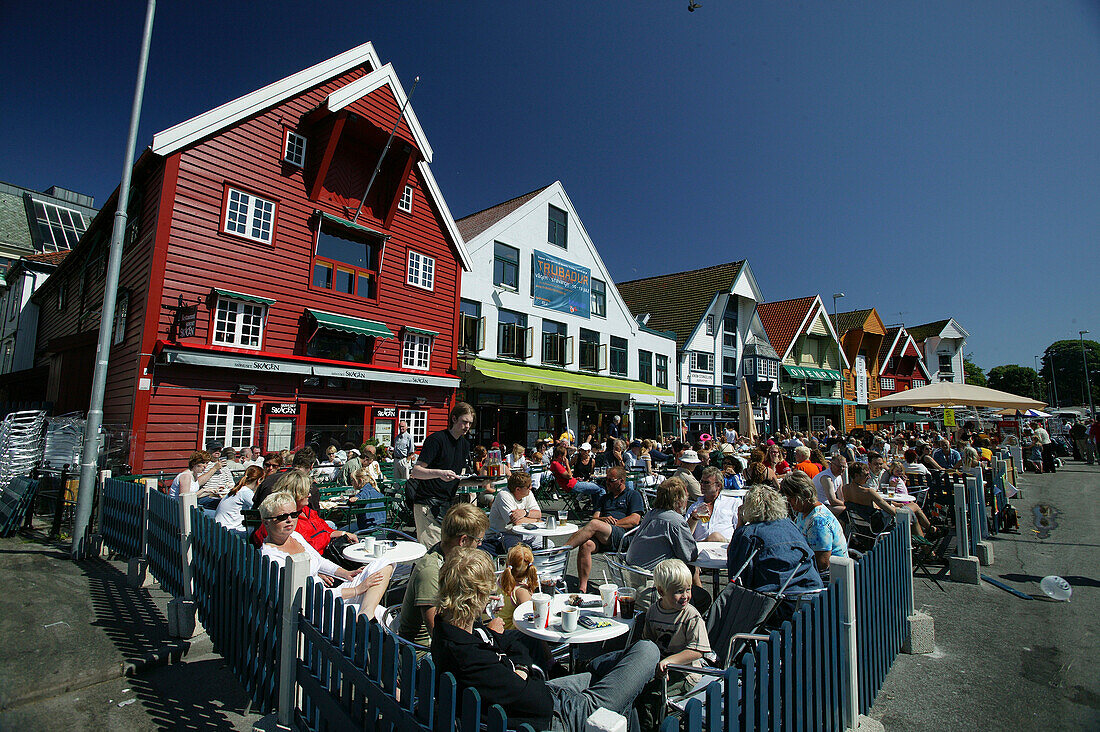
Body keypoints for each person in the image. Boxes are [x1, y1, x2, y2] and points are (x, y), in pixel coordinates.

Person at [431, 547, 660, 732]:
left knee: (617, 677)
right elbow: (538, 701)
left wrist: (520, 668)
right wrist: (522, 670)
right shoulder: (469, 656)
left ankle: (600, 673)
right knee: (647, 651)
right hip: (556, 715)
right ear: (479, 596)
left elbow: (515, 641)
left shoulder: (451, 630)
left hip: (545, 694)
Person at [257, 492, 391, 619]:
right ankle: (368, 616)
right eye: (282, 517)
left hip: (330, 596)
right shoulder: (271, 557)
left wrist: (345, 573)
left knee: (384, 564)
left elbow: (319, 561)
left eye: (294, 514)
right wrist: (357, 590)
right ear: (266, 521)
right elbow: (310, 596)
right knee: (382, 613)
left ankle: (366, 613)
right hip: (316, 610)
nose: (289, 520)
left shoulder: (295, 536)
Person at [397, 503, 489, 651]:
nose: (479, 545)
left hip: (450, 639)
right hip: (422, 653)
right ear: (463, 540)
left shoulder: (446, 556)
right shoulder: (430, 572)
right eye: (478, 541)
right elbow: (439, 635)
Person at [634, 558, 713, 730]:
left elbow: (697, 651)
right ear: (661, 591)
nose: (685, 596)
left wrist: (670, 662)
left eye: (688, 589)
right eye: (678, 591)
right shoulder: (654, 611)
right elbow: (649, 642)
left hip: (686, 672)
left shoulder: (690, 616)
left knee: (651, 697)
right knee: (634, 690)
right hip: (661, 668)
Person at [725, 486, 822, 595]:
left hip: (775, 599)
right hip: (812, 593)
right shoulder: (790, 525)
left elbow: (736, 575)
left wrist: (740, 524)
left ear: (747, 508)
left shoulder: (748, 533)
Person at [563, 466, 645, 592]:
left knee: (594, 524)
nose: (607, 483)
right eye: (606, 480)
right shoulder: (604, 498)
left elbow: (635, 520)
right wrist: (603, 521)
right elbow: (596, 516)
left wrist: (613, 524)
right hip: (603, 535)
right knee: (586, 544)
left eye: (610, 480)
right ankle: (582, 588)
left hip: (623, 535)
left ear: (621, 481)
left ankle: (561, 552)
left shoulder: (633, 495)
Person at [409, 402, 476, 546]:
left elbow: (457, 476)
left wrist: (479, 481)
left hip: (448, 504)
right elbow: (416, 471)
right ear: (454, 419)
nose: (467, 427)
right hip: (427, 503)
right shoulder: (436, 440)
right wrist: (439, 473)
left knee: (449, 550)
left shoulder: (464, 444)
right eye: (464, 422)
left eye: (470, 423)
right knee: (433, 550)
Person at [779, 470, 847, 578]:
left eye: (791, 498)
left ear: (804, 495)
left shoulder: (818, 522)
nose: (789, 502)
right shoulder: (804, 511)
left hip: (830, 577)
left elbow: (822, 564)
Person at [625, 477, 698, 570]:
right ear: (679, 501)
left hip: (632, 571)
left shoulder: (651, 514)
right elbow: (690, 555)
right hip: (654, 575)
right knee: (692, 568)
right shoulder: (675, 521)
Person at [487, 472, 542, 553]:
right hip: (501, 535)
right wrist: (536, 521)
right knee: (519, 552)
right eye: (528, 486)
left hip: (522, 533)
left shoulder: (527, 493)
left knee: (549, 544)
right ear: (518, 489)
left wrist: (525, 512)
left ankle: (540, 565)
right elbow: (517, 522)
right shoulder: (503, 495)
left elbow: (538, 514)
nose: (531, 487)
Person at [687, 466, 740, 542]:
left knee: (716, 537)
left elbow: (739, 530)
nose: (702, 485)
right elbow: (686, 535)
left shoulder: (733, 503)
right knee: (714, 537)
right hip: (701, 548)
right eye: (701, 482)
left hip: (724, 547)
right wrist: (693, 518)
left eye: (706, 482)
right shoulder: (694, 507)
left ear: (718, 486)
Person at [496, 542, 539, 630]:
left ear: (507, 565)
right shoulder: (521, 591)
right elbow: (531, 617)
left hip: (498, 626)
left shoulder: (501, 579)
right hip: (511, 632)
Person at [214, 465, 262, 536]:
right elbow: (261, 508)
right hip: (230, 531)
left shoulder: (239, 489)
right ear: (259, 480)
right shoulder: (246, 492)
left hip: (221, 528)